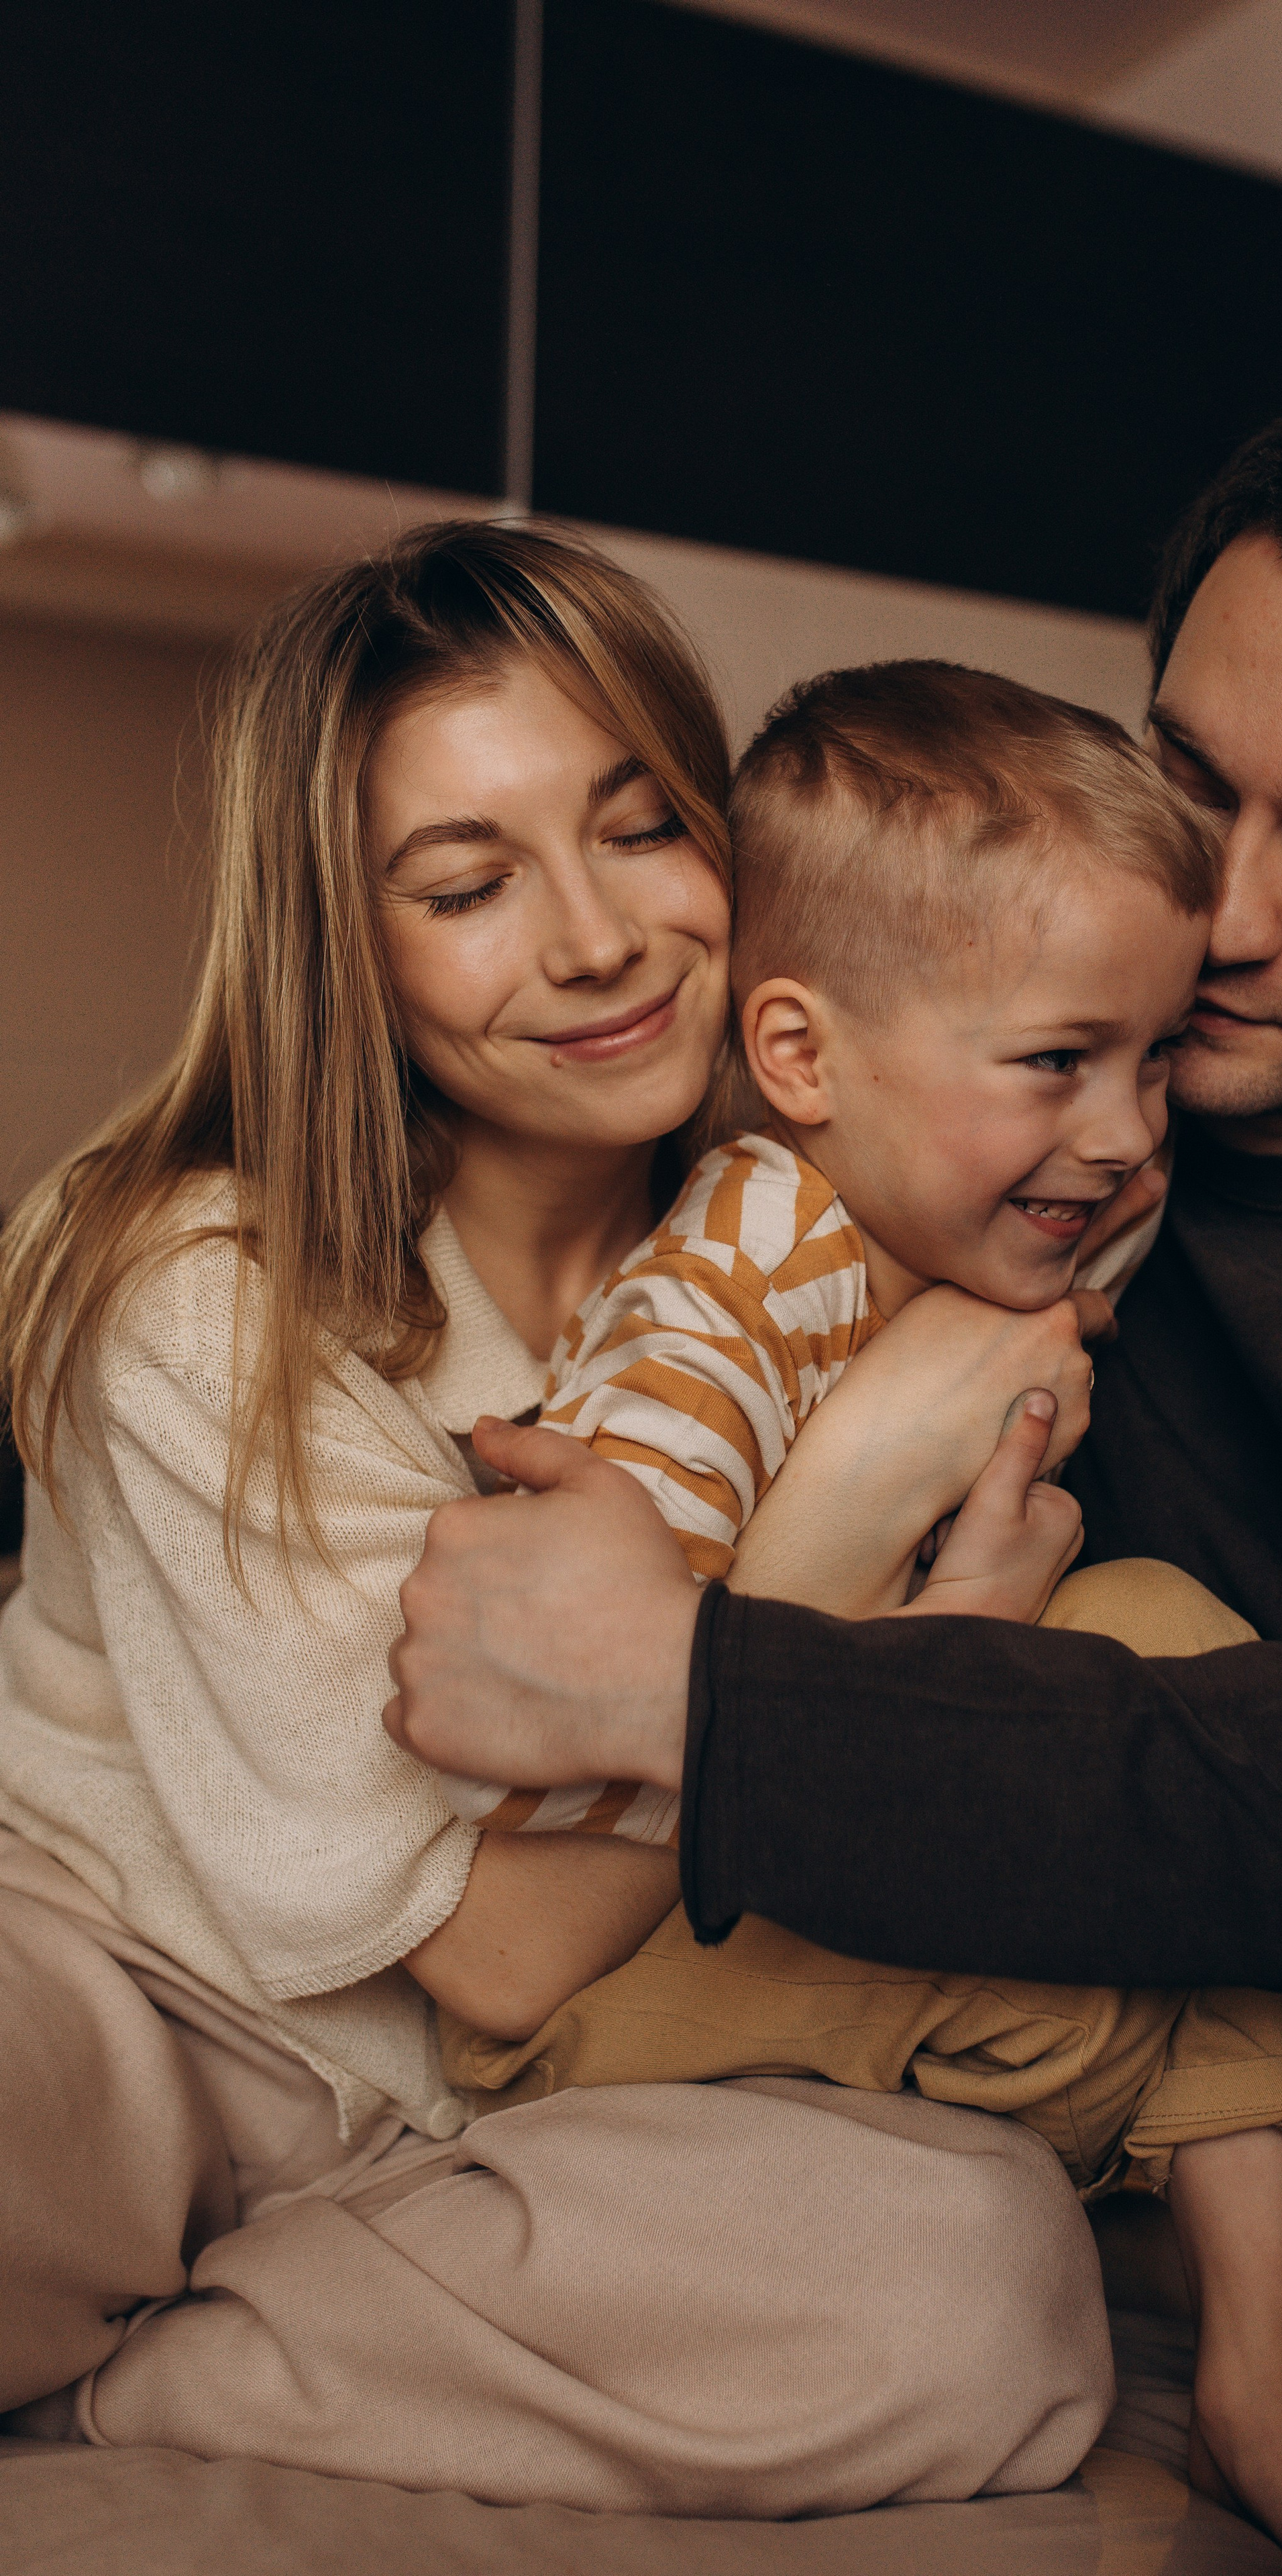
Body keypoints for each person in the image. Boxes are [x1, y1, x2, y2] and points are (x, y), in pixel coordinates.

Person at [385, 378, 1282, 2573]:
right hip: (1182, 2151)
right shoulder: (1009, 1145)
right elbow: (725, 1013)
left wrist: (692, 1689)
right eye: (1190, 785)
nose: (1228, 915)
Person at [0, 518, 1119, 2512]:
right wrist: (839, 1531)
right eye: (467, 885)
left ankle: (157, 2370)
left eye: (640, 828)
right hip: (132, 2000)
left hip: (508, 2119)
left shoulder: (809, 1224)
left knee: (983, 2284)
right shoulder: (197, 1285)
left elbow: (1109, 1073)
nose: (596, 941)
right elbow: (498, 1948)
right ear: (344, 941)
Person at [435, 661, 1282, 2567]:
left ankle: (1254, 2336)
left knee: (1185, 1656)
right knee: (1182, 1732)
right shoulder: (725, 1304)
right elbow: (590, 1743)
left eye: (1158, 1057)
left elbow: (1109, 1200)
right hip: (605, 2000)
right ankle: (1238, 2300)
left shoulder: (972, 1206)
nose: (1129, 1133)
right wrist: (945, 1647)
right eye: (1061, 1061)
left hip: (794, 1918)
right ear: (803, 1058)